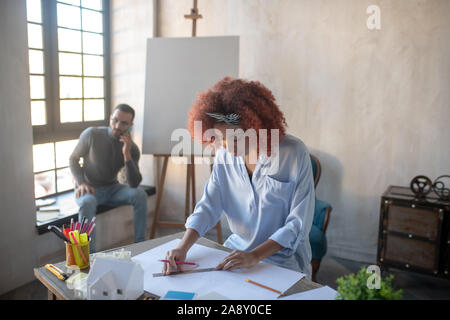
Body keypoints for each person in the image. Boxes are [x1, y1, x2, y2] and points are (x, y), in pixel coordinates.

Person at [163, 77, 315, 279]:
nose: (226, 146)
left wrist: (254, 256)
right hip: (235, 253)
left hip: (282, 259)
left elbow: (297, 224)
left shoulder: (292, 153)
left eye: (235, 137)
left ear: (256, 127)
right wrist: (183, 247)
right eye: (219, 138)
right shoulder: (223, 154)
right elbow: (209, 205)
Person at [69, 103, 148, 252]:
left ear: (131, 126)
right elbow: (73, 159)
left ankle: (140, 247)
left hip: (112, 189)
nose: (117, 126)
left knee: (140, 195)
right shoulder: (92, 134)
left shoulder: (132, 148)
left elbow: (134, 183)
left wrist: (127, 155)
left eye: (124, 123)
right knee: (87, 203)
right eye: (115, 120)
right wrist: (81, 182)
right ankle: (87, 257)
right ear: (110, 118)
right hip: (89, 189)